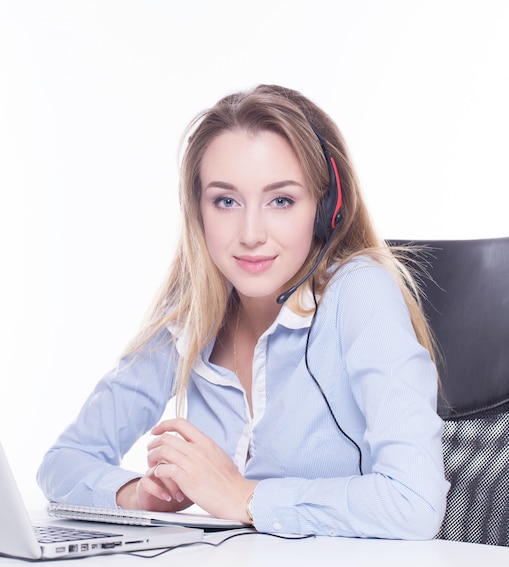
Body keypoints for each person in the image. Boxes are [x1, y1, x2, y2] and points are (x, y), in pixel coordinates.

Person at [37, 84, 449, 539]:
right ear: (199, 209)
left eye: (281, 200)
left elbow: (415, 502)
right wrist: (136, 494)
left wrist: (244, 497)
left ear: (326, 209)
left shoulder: (359, 293)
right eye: (226, 201)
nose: (250, 233)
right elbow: (62, 463)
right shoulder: (191, 315)